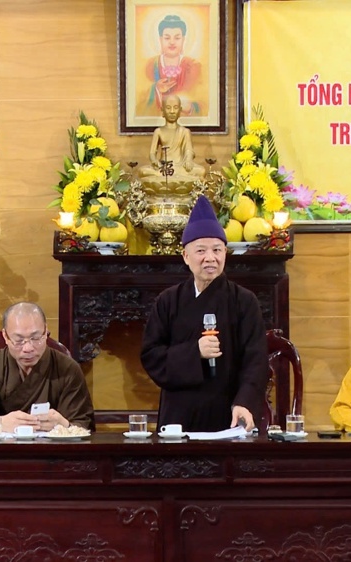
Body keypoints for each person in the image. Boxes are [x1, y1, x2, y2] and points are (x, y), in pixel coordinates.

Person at [140, 195, 268, 432]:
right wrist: (194, 352)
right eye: (201, 250)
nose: (210, 258)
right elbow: (151, 355)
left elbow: (256, 360)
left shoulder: (244, 301)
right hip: (178, 414)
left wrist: (244, 402)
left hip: (228, 412)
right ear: (185, 256)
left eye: (217, 250)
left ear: (225, 253)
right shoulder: (168, 301)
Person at [0, 302, 93, 433]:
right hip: (1, 447)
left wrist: (63, 425)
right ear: (5, 336)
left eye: (35, 338)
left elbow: (84, 424)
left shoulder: (68, 369)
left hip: (52, 447)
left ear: (45, 331)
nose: (28, 348)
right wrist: (0, 423)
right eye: (19, 340)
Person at [139, 94, 205, 194]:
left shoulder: (185, 131)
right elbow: (152, 153)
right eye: (168, 108)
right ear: (162, 110)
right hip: (163, 168)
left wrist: (188, 160)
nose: (172, 111)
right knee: (143, 171)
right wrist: (154, 161)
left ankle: (174, 179)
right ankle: (175, 179)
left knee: (201, 171)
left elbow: (189, 150)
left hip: (180, 166)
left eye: (175, 107)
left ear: (180, 110)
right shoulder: (158, 131)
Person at [140, 14, 203, 118]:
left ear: (183, 40)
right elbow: (140, 101)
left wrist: (189, 106)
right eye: (167, 38)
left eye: (177, 38)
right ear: (160, 40)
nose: (172, 42)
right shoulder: (151, 65)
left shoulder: (193, 66)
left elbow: (203, 102)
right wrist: (156, 89)